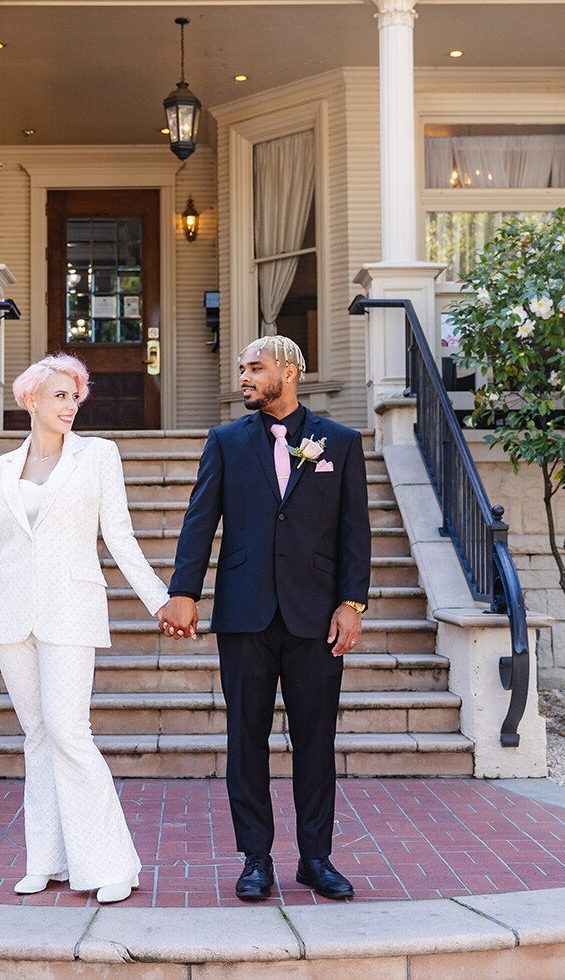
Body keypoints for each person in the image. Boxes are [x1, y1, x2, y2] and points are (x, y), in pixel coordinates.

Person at [160, 335, 371, 902]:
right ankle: (255, 859)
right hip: (245, 612)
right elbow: (199, 520)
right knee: (246, 738)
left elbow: (356, 531)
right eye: (242, 369)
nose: (245, 377)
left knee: (315, 741)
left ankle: (316, 859)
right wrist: (184, 591)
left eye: (256, 367)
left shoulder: (341, 443)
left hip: (315, 617)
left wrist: (353, 604)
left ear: (291, 371)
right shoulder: (226, 441)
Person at [0, 353, 170, 905]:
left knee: (70, 733)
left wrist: (160, 602)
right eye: (59, 395)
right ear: (30, 400)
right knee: (37, 737)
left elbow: (119, 537)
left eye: (76, 396)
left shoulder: (98, 455)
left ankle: (110, 864)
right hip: (11, 614)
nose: (71, 405)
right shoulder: (3, 468)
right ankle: (45, 860)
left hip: (71, 609)